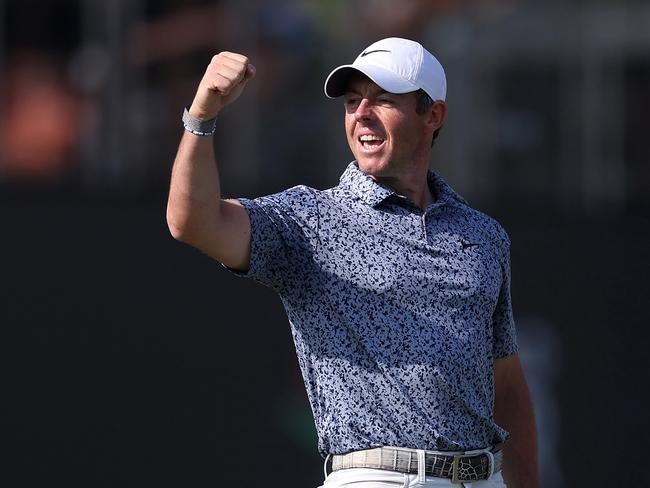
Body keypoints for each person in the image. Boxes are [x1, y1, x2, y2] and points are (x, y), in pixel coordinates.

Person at [167, 37, 538, 488]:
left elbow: (508, 383)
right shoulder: (311, 220)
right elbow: (192, 222)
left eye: (383, 100)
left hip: (482, 478)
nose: (362, 113)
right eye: (352, 101)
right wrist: (202, 115)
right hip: (374, 478)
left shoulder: (482, 236)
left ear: (433, 115)